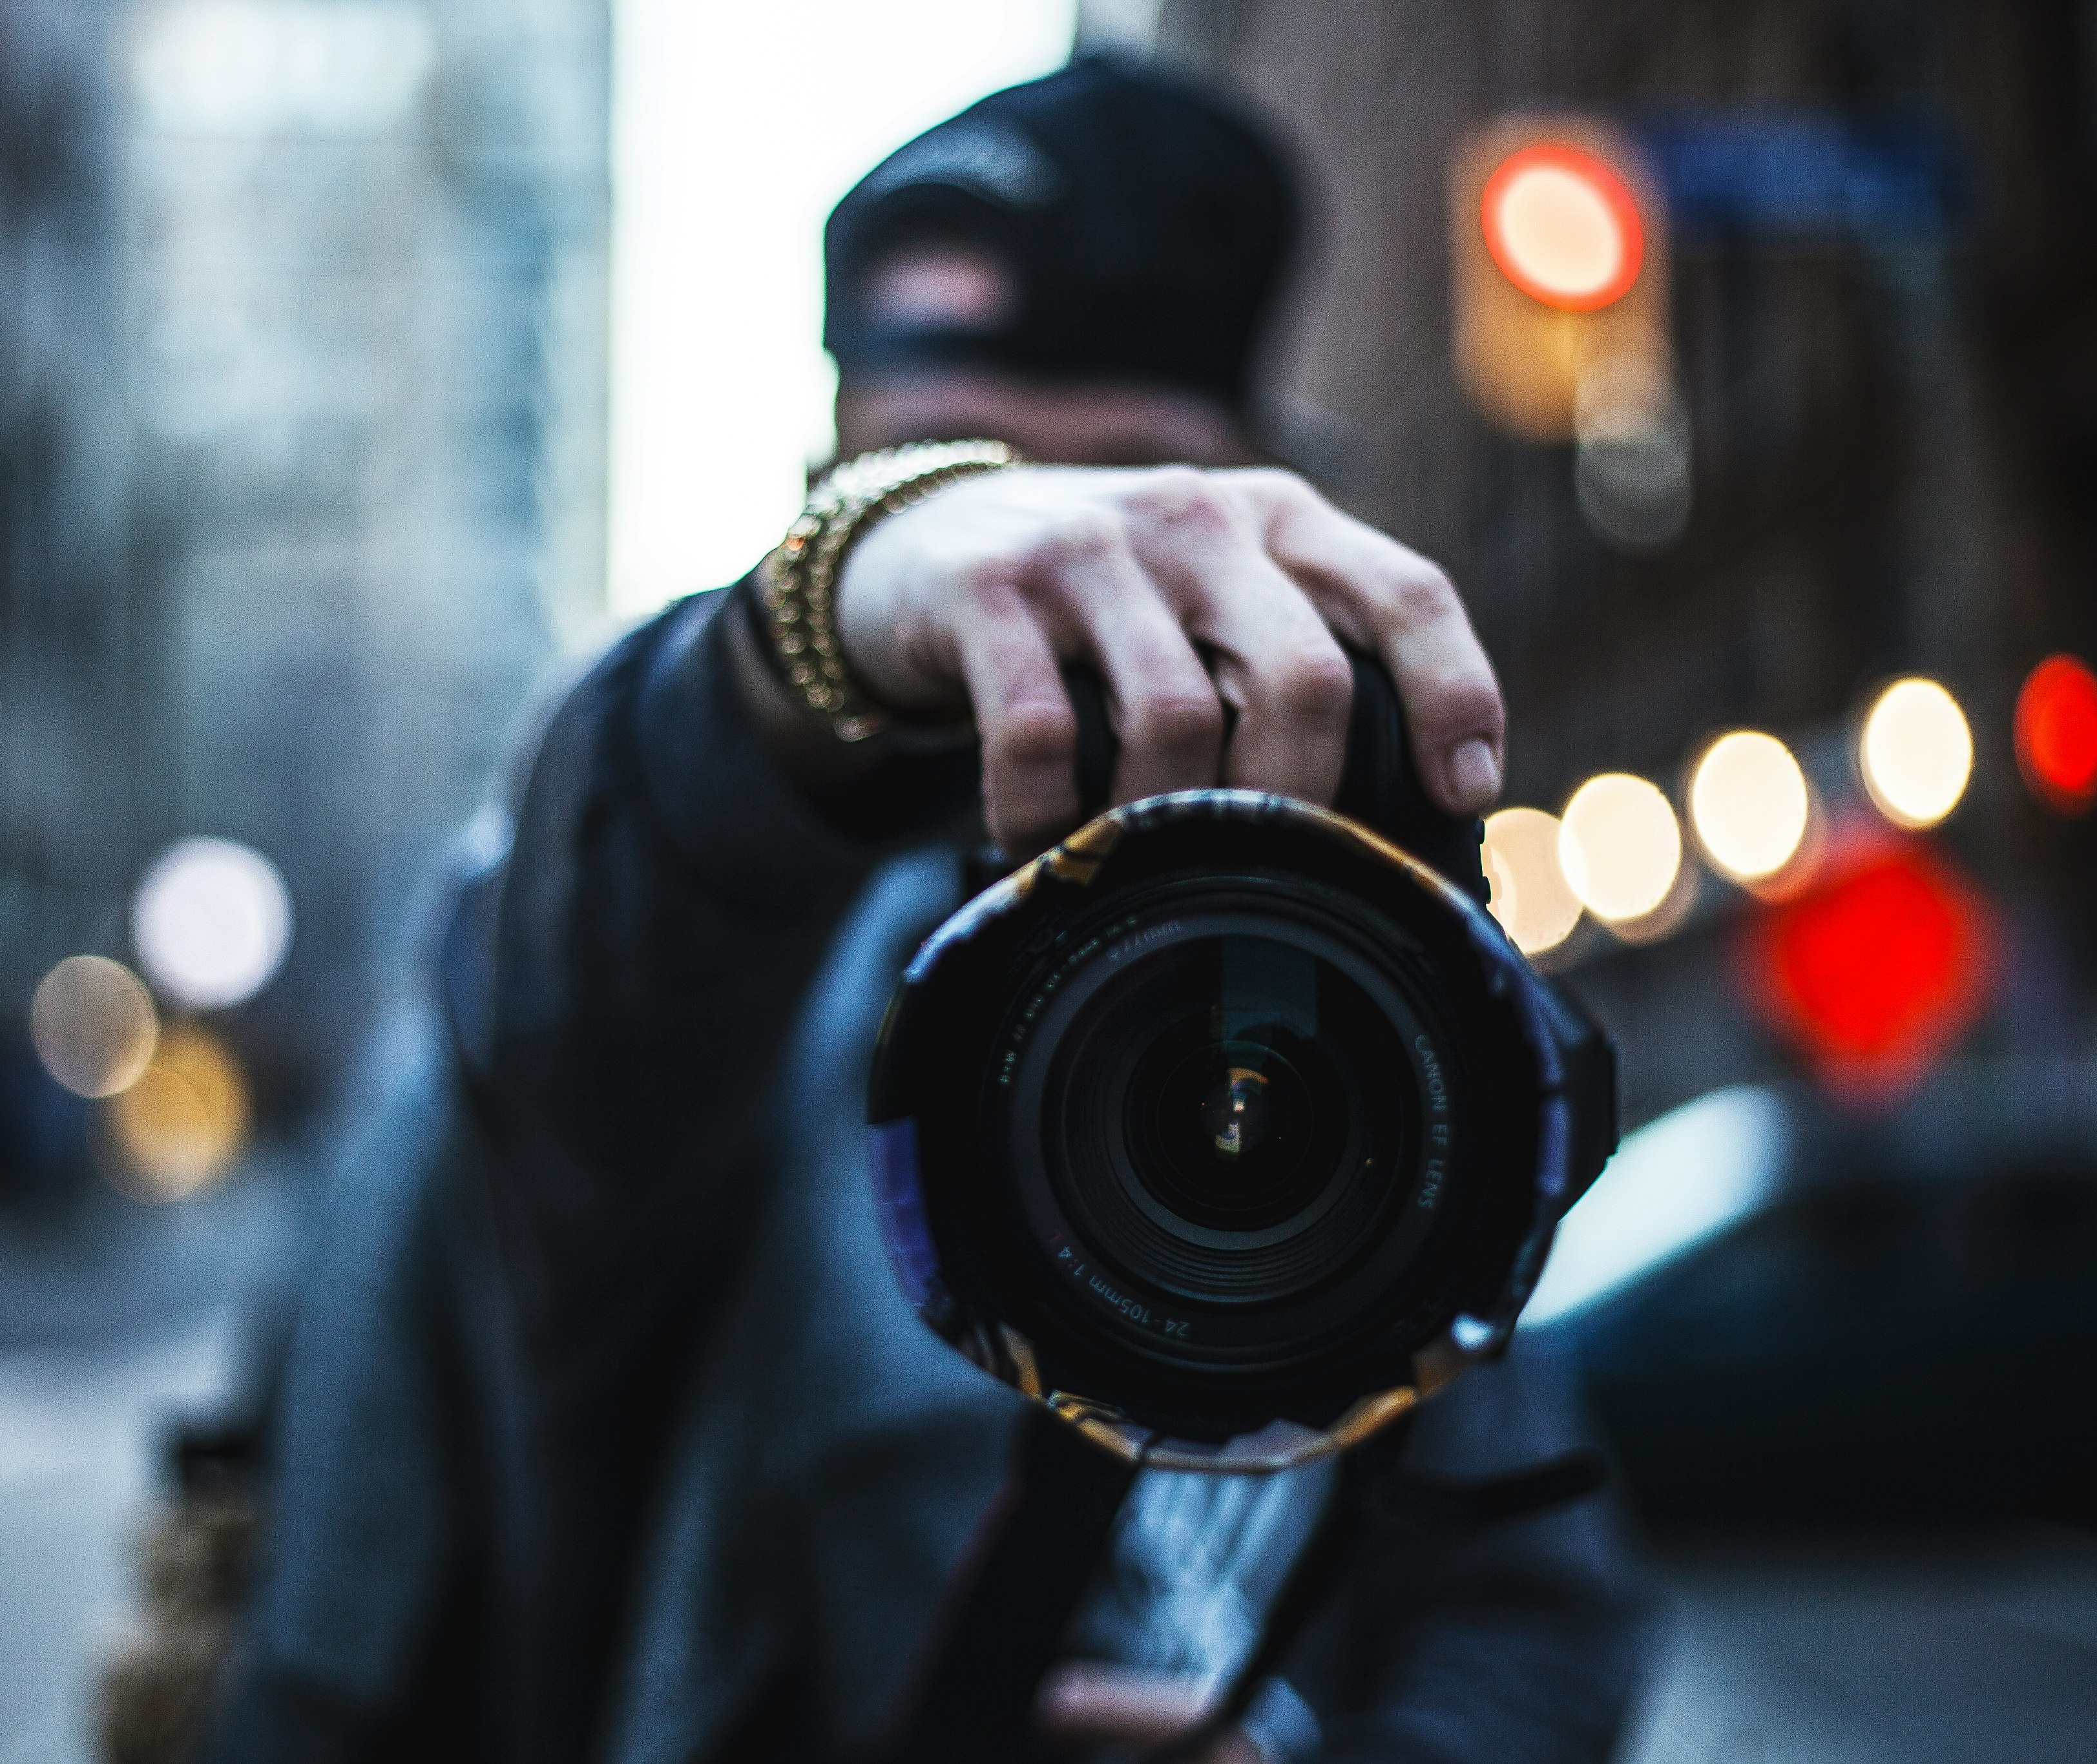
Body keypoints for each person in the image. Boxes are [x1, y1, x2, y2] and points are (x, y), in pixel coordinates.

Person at [194, 56, 1648, 1764]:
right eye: (956, 512)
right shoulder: (681, 979)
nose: (1036, 602)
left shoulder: (1351, 998)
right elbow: (621, 920)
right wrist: (820, 630)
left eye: (1122, 504)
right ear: (829, 507)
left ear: (1264, 494)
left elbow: (1530, 1603)